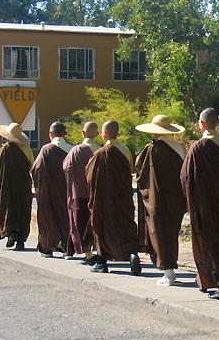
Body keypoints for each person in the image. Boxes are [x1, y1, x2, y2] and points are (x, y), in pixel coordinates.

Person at [180, 108, 219, 297]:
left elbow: (185, 176)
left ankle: (215, 279)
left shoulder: (196, 147)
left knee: (208, 240)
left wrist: (189, 200)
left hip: (204, 203)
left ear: (202, 123)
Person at [135, 115, 188, 286]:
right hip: (177, 198)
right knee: (172, 233)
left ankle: (168, 273)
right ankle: (170, 269)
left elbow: (140, 170)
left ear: (155, 134)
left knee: (159, 232)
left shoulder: (151, 148)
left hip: (158, 199)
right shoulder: (181, 147)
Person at [85, 120, 142, 276]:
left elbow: (90, 178)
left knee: (101, 227)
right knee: (125, 226)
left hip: (103, 201)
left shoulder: (98, 155)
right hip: (122, 198)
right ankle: (132, 255)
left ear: (104, 134)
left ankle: (101, 262)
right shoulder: (125, 151)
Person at [30, 121, 74, 258]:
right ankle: (68, 248)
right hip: (67, 190)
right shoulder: (72, 150)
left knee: (48, 218)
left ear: (50, 134)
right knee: (67, 218)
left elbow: (36, 169)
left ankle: (47, 247)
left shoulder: (46, 150)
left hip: (49, 191)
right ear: (65, 135)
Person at [0, 122, 33, 251]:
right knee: (23, 210)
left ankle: (11, 233)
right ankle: (21, 240)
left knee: (8, 209)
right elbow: (31, 165)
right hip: (24, 184)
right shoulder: (27, 149)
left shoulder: (5, 148)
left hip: (7, 185)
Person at [63, 121, 100, 264]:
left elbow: (66, 167)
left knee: (79, 223)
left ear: (83, 133)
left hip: (78, 193)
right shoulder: (101, 151)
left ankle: (86, 252)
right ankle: (97, 250)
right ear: (97, 135)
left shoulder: (75, 151)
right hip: (96, 194)